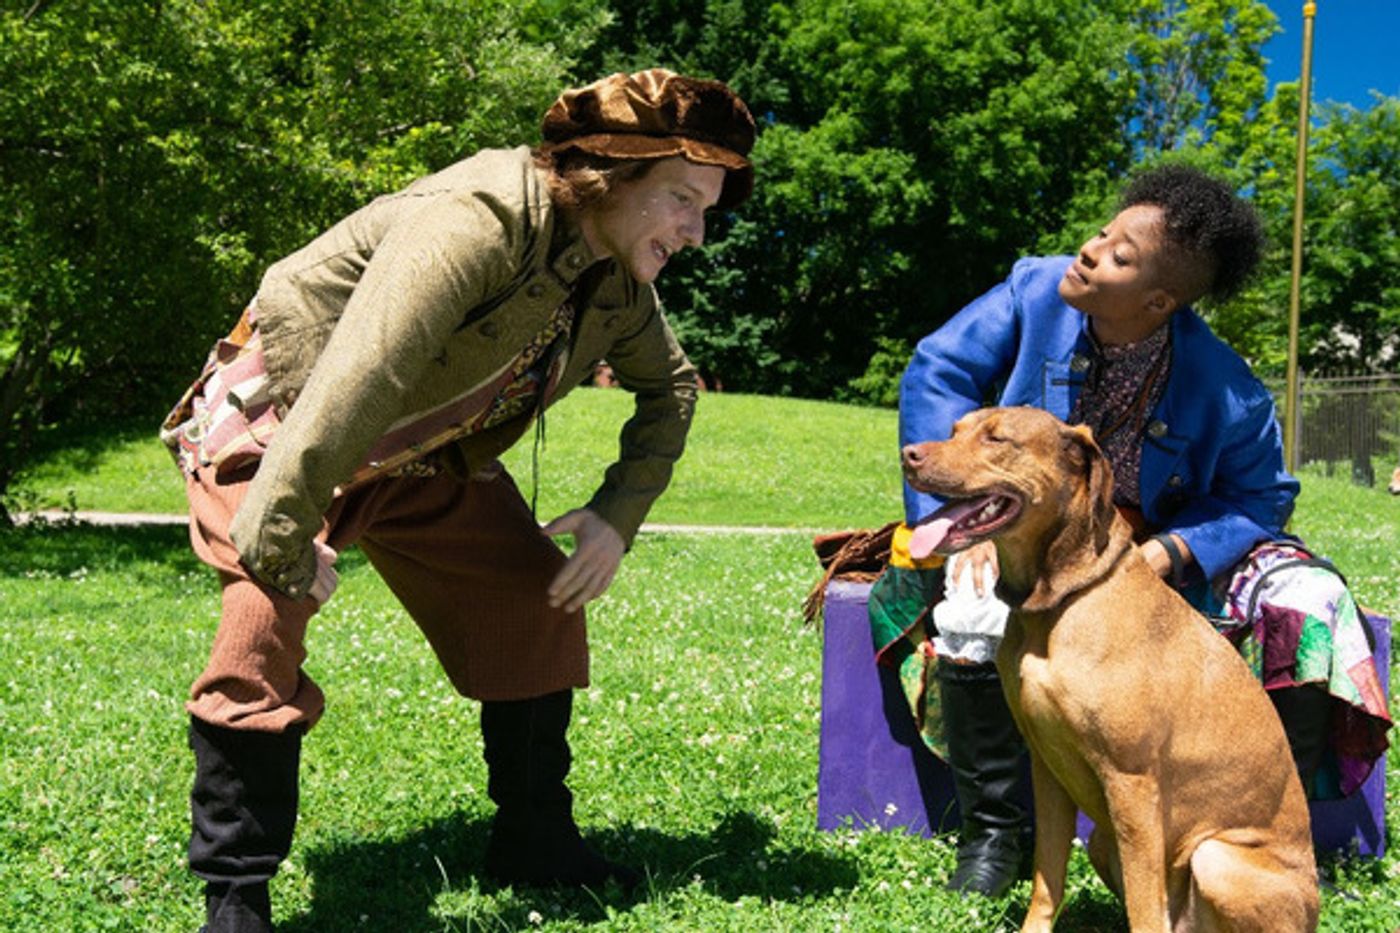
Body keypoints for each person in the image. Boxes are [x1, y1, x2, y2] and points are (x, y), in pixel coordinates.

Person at [160, 69, 756, 931]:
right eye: (681, 200)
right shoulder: (477, 217)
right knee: (261, 627)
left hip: (421, 454)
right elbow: (365, 371)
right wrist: (286, 525)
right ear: (609, 177)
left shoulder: (617, 280)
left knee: (533, 600)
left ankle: (535, 840)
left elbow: (674, 387)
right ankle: (235, 898)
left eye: (707, 209)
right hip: (285, 422)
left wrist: (615, 517)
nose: (696, 233)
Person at [869, 164, 1392, 898]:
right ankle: (995, 835)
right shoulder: (1032, 290)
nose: (1089, 250)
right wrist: (968, 528)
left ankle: (1273, 835)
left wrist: (1167, 553)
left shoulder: (1228, 387)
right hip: (1022, 528)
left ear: (1158, 301)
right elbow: (938, 370)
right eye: (1102, 232)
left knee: (1311, 602)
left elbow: (1260, 496)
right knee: (975, 603)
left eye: (1119, 254)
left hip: (1162, 555)